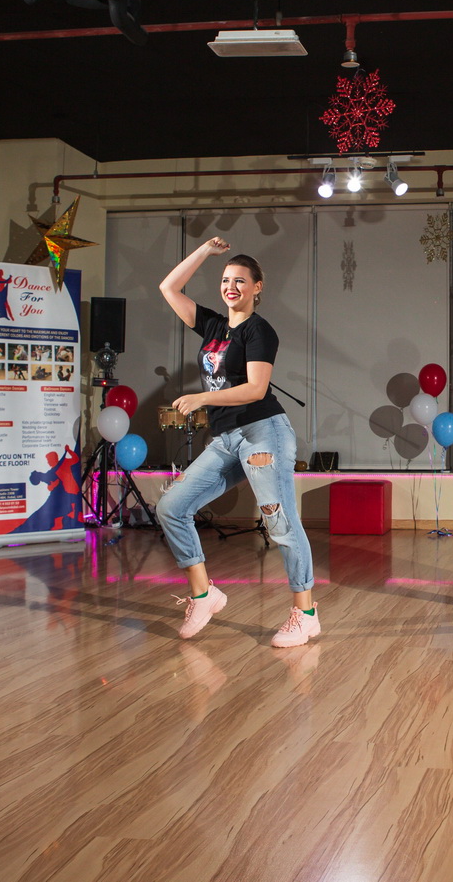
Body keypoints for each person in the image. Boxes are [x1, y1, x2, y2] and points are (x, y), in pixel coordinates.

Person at [155, 236, 319, 646]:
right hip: (227, 438)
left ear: (257, 287)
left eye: (240, 280)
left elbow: (256, 389)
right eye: (226, 280)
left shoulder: (259, 330)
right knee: (171, 507)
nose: (231, 286)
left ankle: (306, 614)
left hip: (263, 432)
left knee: (280, 521)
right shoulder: (213, 325)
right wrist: (204, 252)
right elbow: (168, 288)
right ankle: (204, 595)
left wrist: (202, 398)